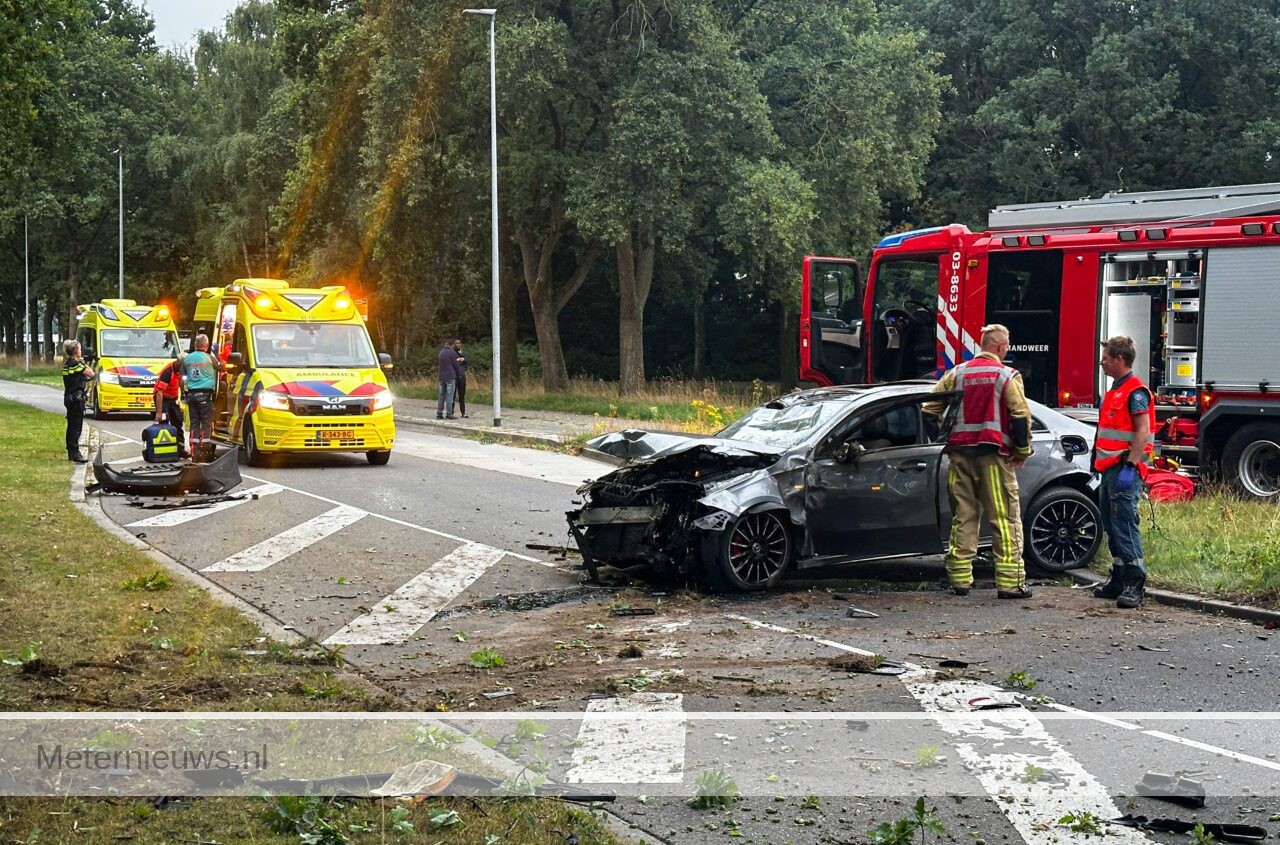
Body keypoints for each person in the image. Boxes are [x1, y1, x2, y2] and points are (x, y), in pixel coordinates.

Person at [924, 324, 1034, 599]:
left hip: (959, 455)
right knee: (1005, 518)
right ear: (1000, 347)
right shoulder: (1006, 376)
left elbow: (929, 408)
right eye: (1006, 346)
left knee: (964, 517)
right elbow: (1020, 416)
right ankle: (1010, 584)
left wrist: (942, 437)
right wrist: (1021, 450)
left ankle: (960, 580)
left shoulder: (956, 374)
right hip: (993, 457)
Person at [1092, 336, 1154, 609]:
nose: (1102, 362)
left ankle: (1134, 583)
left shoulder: (1135, 392)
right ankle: (1118, 578)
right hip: (1109, 469)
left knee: (1125, 526)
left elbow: (1143, 431)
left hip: (1123, 469)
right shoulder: (1115, 391)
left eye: (1106, 358)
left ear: (1119, 360)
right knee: (1111, 524)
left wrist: (1130, 466)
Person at [182, 334, 220, 460]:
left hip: (191, 394)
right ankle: (205, 453)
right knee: (206, 423)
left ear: (195, 345)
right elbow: (220, 366)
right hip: (204, 395)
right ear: (207, 345)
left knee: (194, 423)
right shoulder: (209, 357)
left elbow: (182, 378)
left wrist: (184, 393)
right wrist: (217, 353)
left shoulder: (187, 359)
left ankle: (195, 453)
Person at [61, 340, 94, 463]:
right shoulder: (76, 364)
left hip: (69, 397)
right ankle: (75, 453)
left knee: (71, 426)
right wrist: (84, 362)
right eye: (80, 349)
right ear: (75, 351)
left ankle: (71, 451)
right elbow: (91, 374)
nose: (81, 351)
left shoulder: (67, 364)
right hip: (77, 399)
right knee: (76, 427)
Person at [152, 355, 188, 459]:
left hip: (173, 398)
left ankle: (181, 450)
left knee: (177, 421)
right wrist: (159, 412)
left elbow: (181, 382)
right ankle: (164, 449)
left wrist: (183, 395)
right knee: (164, 422)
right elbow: (159, 393)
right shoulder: (168, 372)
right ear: (178, 363)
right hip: (162, 398)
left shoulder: (181, 370)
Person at [437, 338, 461, 420]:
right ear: (452, 345)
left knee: (441, 395)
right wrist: (458, 375)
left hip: (441, 376)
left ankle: (439, 413)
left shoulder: (441, 352)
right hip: (450, 376)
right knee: (449, 395)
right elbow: (456, 366)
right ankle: (449, 413)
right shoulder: (452, 353)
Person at [451, 339, 468, 418]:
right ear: (454, 344)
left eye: (459, 343)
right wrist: (457, 360)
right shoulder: (452, 353)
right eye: (457, 343)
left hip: (462, 377)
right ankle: (451, 412)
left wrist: (463, 357)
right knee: (452, 395)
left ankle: (463, 413)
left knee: (462, 396)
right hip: (454, 377)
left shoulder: (462, 353)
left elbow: (468, 361)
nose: (458, 344)